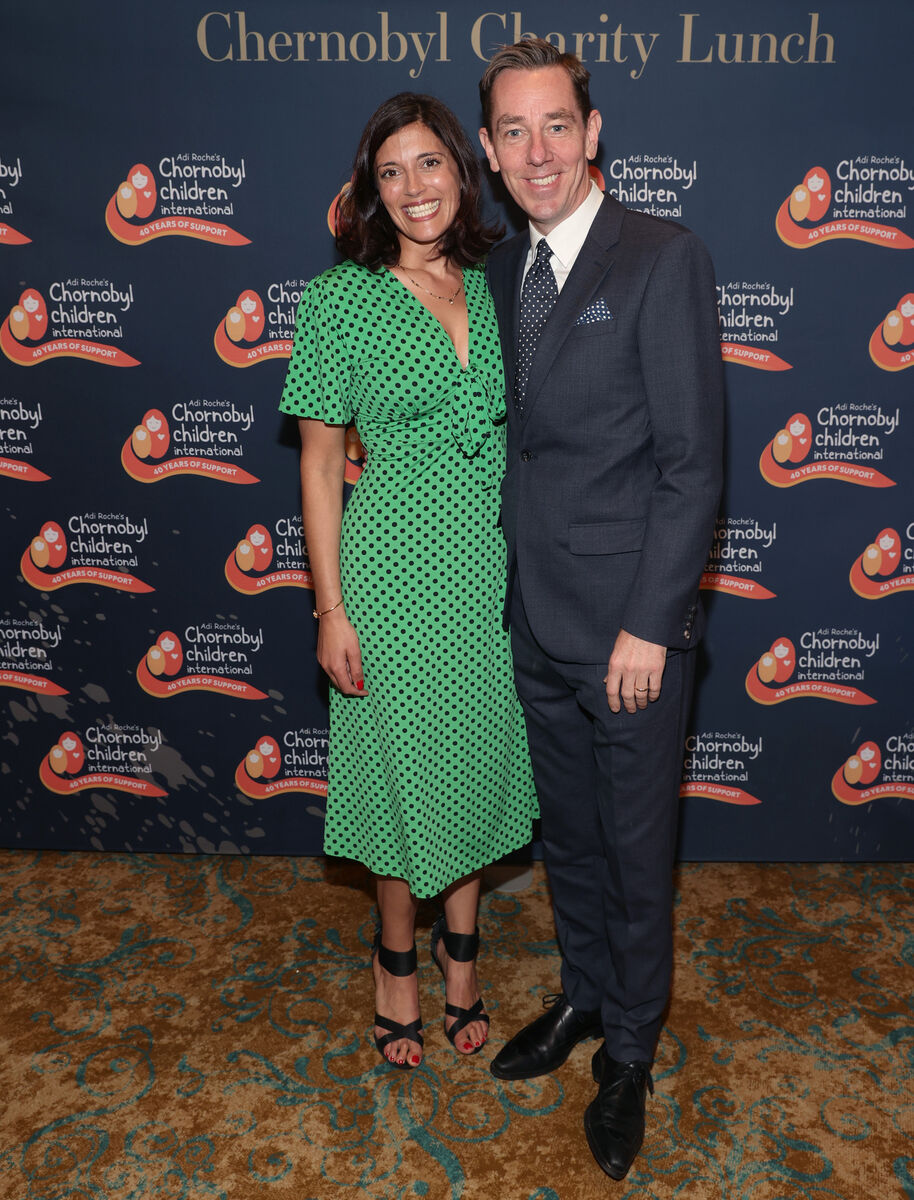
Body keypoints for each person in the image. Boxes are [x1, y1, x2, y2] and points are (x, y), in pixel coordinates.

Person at [478, 40, 724, 1180]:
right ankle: (583, 998)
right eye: (513, 132)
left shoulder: (660, 257)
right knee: (567, 839)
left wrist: (648, 624)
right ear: (488, 149)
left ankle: (630, 1048)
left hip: (626, 636)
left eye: (555, 126)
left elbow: (690, 466)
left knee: (634, 854)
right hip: (531, 619)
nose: (537, 152)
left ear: (592, 132)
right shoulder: (496, 270)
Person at [279, 93, 538, 1072]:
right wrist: (329, 607)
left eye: (427, 164)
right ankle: (395, 968)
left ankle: (460, 958)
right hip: (386, 574)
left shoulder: (498, 282)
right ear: (369, 192)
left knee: (472, 765)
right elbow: (314, 466)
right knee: (401, 783)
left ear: (460, 173)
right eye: (390, 172)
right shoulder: (337, 300)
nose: (412, 187)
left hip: (492, 569)